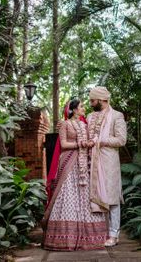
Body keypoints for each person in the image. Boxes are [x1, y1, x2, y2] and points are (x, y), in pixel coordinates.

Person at [42, 99, 107, 251]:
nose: (84, 108)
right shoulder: (65, 124)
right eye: (81, 106)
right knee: (68, 194)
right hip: (69, 162)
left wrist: (90, 143)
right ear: (74, 110)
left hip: (83, 165)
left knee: (84, 196)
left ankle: (89, 237)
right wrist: (80, 144)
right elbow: (64, 144)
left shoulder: (85, 125)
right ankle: (64, 237)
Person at [87, 86, 127, 247]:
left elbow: (121, 140)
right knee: (94, 196)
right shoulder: (90, 116)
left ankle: (114, 234)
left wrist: (102, 141)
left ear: (102, 100)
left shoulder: (117, 116)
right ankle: (99, 232)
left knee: (112, 198)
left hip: (108, 161)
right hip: (91, 161)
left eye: (92, 100)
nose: (90, 103)